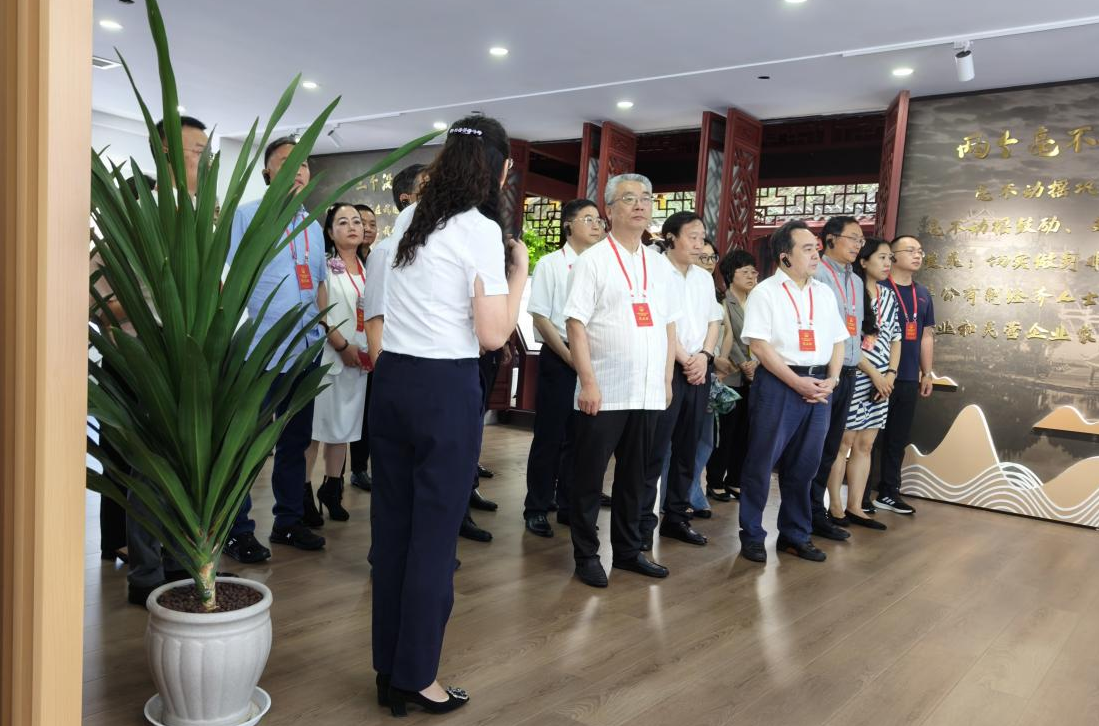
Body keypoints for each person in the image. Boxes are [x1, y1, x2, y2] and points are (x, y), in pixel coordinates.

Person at [369, 115, 527, 715]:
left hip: (393, 381)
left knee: (393, 532)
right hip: (443, 386)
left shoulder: (409, 220)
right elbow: (493, 335)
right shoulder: (479, 229)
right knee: (434, 539)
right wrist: (519, 274)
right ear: (500, 170)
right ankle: (416, 677)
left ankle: (390, 670)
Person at [563, 173, 680, 588]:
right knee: (589, 478)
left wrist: (667, 379)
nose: (640, 204)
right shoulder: (593, 260)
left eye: (646, 197)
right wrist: (588, 382)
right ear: (609, 210)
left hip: (648, 390)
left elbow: (668, 325)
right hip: (605, 389)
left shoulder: (658, 263)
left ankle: (629, 551)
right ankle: (586, 555)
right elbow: (575, 325)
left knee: (636, 477)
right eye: (629, 198)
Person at [224, 136, 327, 562]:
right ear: (268, 172)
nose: (297, 169)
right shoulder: (247, 216)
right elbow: (229, 279)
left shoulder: (314, 225)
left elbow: (318, 285)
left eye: (303, 163)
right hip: (260, 350)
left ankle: (287, 521)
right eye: (286, 161)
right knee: (247, 444)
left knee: (294, 441)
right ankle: (236, 529)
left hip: (305, 349)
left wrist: (323, 332)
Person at [738, 219, 848, 564]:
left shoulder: (823, 292)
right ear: (785, 256)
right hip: (779, 383)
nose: (816, 255)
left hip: (819, 386)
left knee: (805, 466)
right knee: (761, 462)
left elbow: (838, 341)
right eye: (807, 249)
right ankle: (752, 535)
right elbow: (759, 345)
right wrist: (795, 382)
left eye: (816, 248)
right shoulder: (766, 292)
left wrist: (833, 380)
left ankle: (795, 535)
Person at [522, 198, 604, 537]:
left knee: (582, 437)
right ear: (568, 225)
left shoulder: (601, 265)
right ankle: (537, 507)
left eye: (599, 220)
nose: (597, 225)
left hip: (595, 357)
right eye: (589, 219)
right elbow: (541, 318)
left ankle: (569, 505)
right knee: (551, 436)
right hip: (560, 356)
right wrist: (571, 358)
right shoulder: (551, 264)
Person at [640, 212, 721, 549]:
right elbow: (659, 324)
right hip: (666, 369)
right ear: (671, 238)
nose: (700, 244)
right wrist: (686, 358)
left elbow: (714, 321)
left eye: (702, 237)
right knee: (654, 449)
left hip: (699, 370)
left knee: (688, 449)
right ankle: (642, 522)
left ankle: (676, 517)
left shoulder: (703, 278)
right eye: (693, 236)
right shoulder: (655, 271)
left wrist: (705, 356)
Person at [824, 238, 900, 529]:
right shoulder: (852, 293)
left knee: (866, 444)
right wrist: (874, 374)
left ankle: (856, 506)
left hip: (883, 381)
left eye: (890, 258)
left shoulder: (889, 295)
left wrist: (890, 374)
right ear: (864, 261)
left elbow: (896, 339)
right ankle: (835, 506)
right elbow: (846, 340)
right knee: (843, 442)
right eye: (881, 257)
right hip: (856, 374)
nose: (887, 263)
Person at [303, 203, 371, 525]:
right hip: (330, 357)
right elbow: (320, 312)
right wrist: (342, 345)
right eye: (342, 222)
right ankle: (304, 493)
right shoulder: (326, 267)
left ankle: (332, 488)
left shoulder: (368, 269)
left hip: (358, 361)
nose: (352, 227)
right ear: (330, 233)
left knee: (344, 427)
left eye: (356, 221)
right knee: (316, 429)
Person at [806, 216, 866, 543]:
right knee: (814, 448)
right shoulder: (816, 274)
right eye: (853, 238)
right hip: (824, 373)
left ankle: (818, 512)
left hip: (849, 372)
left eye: (861, 240)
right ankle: (807, 513)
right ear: (830, 239)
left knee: (831, 448)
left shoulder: (855, 280)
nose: (858, 245)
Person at [871, 234, 935, 515]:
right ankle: (859, 496)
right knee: (866, 438)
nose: (917, 255)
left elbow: (926, 335)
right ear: (893, 255)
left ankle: (888, 492)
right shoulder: (879, 287)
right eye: (911, 250)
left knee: (897, 439)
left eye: (920, 251)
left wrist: (927, 372)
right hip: (877, 375)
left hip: (908, 377)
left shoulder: (923, 293)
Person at [706, 249, 758, 501]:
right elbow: (731, 336)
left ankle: (735, 479)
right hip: (731, 373)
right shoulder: (724, 301)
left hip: (755, 374)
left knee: (745, 431)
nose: (751, 276)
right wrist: (743, 362)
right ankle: (715, 479)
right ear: (730, 275)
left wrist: (756, 363)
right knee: (726, 431)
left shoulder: (759, 301)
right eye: (744, 271)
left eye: (753, 271)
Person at [347, 203, 377, 493]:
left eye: (371, 224)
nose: (367, 229)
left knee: (367, 410)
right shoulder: (341, 262)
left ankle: (359, 468)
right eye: (361, 222)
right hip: (347, 345)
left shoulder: (378, 260)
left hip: (374, 344)